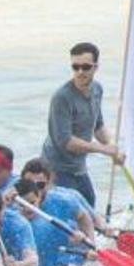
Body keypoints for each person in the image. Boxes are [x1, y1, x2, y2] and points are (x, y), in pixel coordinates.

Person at [41, 42, 123, 207]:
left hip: (79, 167)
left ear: (96, 67)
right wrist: (103, 150)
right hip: (56, 168)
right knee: (73, 209)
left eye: (85, 67)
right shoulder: (61, 98)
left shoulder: (97, 90)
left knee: (89, 203)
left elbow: (98, 126)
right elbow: (67, 142)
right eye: (75, 67)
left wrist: (113, 147)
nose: (80, 72)